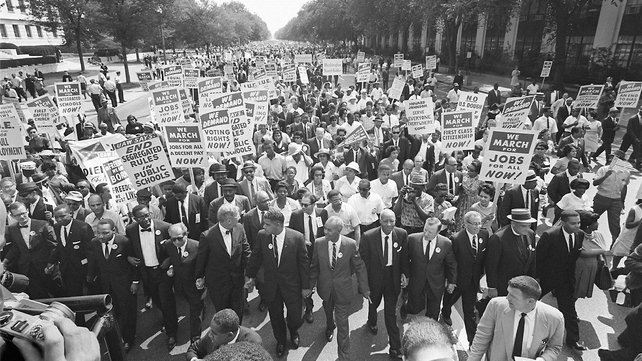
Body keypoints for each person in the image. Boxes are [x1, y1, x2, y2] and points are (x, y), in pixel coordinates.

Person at [246, 208, 310, 358]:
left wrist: (306, 286)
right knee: (276, 316)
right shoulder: (262, 236)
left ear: (278, 224)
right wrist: (249, 276)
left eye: (267, 224)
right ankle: (280, 341)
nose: (264, 227)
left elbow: (304, 264)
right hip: (272, 285)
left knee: (295, 316)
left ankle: (293, 330)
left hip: (292, 286)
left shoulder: (297, 238)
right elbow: (256, 257)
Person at [309, 216, 370, 361]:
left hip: (343, 291)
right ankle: (329, 326)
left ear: (339, 230)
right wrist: (309, 287)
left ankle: (344, 356)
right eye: (324, 228)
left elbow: (360, 267)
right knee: (328, 312)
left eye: (329, 230)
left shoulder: (350, 244)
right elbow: (314, 267)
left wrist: (365, 288)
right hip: (325, 290)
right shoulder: (318, 243)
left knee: (343, 325)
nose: (325, 232)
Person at [467, 276, 564, 361]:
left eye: (513, 296)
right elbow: (481, 338)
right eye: (508, 293)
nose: (507, 298)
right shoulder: (496, 305)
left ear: (530, 301)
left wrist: (542, 360)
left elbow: (554, 348)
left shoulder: (555, 318)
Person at [124, 205, 178, 351]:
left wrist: (169, 260)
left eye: (147, 215)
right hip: (146, 273)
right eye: (141, 217)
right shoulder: (131, 230)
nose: (146, 219)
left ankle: (172, 333)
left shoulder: (165, 227)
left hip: (163, 272)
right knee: (157, 300)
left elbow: (176, 246)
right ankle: (168, 318)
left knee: (167, 301)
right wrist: (129, 257)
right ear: (135, 219)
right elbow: (129, 249)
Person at [359, 209, 409, 359]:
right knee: (373, 304)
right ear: (380, 221)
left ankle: (395, 348)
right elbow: (363, 263)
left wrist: (404, 274)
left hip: (392, 278)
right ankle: (371, 321)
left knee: (390, 313)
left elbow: (404, 257)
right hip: (374, 279)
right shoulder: (368, 236)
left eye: (392, 221)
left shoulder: (401, 234)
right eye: (386, 221)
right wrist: (364, 285)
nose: (389, 224)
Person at [536, 210, 587, 350]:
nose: (577, 226)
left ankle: (573, 340)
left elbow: (573, 257)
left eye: (579, 223)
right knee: (531, 301)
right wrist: (537, 277)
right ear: (563, 223)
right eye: (573, 223)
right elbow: (538, 259)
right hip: (547, 277)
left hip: (566, 279)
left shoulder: (580, 235)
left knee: (569, 309)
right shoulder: (550, 235)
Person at [86, 218, 138, 351]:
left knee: (128, 312)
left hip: (125, 284)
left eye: (105, 233)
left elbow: (135, 264)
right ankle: (117, 336)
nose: (100, 236)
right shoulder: (94, 243)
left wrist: (135, 282)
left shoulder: (124, 242)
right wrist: (90, 276)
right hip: (107, 285)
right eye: (98, 233)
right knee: (114, 312)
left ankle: (128, 340)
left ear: (113, 231)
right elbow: (95, 262)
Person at [196, 203, 251, 324]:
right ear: (229, 220)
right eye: (238, 216)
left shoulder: (240, 228)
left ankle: (237, 337)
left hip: (237, 281)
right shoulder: (207, 236)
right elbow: (202, 259)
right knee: (223, 315)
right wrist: (200, 277)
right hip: (218, 284)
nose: (240, 218)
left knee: (238, 312)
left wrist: (250, 273)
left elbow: (246, 251)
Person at [441, 211, 489, 343]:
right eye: (474, 224)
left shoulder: (484, 235)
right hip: (458, 280)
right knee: (449, 300)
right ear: (465, 223)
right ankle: (445, 312)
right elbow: (451, 262)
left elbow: (483, 259)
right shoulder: (456, 239)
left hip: (473, 281)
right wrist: (451, 281)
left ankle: (471, 341)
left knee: (470, 312)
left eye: (479, 223)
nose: (477, 227)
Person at [401, 217, 457, 321]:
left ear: (438, 231)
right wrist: (405, 275)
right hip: (417, 279)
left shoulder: (446, 243)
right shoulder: (412, 239)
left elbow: (451, 264)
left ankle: (430, 330)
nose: (426, 234)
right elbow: (405, 259)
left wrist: (452, 282)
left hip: (436, 282)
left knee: (433, 311)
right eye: (425, 230)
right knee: (415, 307)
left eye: (430, 232)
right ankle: (406, 307)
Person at [3, 202, 61, 299]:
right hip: (27, 267)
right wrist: (4, 262)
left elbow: (54, 246)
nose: (22, 217)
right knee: (37, 295)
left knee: (55, 291)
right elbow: (16, 247)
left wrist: (51, 264)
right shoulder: (12, 229)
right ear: (12, 216)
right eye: (17, 215)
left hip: (45, 266)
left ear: (27, 211)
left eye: (23, 213)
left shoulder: (42, 224)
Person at [288, 191, 328, 323]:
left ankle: (327, 302)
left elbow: (326, 231)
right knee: (305, 279)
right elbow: (292, 234)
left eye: (306, 205)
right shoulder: (295, 215)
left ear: (313, 204)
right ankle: (309, 307)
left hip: (319, 250)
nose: (303, 207)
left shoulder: (322, 213)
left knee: (322, 276)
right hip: (304, 251)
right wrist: (302, 242)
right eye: (301, 204)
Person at [163, 223, 203, 344]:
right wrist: (171, 267)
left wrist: (203, 278)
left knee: (196, 312)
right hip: (180, 285)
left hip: (195, 285)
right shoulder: (168, 245)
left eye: (179, 238)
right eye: (173, 239)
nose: (176, 242)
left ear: (186, 234)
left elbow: (205, 264)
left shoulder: (197, 246)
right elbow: (174, 259)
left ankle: (195, 339)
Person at [486, 208, 537, 297]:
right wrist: (492, 286)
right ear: (513, 223)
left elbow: (532, 259)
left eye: (528, 226)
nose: (527, 229)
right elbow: (491, 265)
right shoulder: (498, 238)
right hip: (504, 286)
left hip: (523, 286)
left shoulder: (530, 234)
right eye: (523, 226)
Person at [46, 204, 94, 297]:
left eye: (62, 216)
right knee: (73, 295)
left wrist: (90, 273)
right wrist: (51, 262)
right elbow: (60, 247)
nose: (59, 219)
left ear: (70, 213)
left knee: (87, 295)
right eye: (56, 217)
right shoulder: (57, 227)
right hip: (66, 269)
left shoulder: (83, 227)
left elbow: (90, 252)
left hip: (82, 269)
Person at [186, 309, 262, 361]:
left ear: (230, 335)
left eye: (214, 333)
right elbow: (193, 349)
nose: (210, 335)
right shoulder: (214, 332)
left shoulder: (252, 344)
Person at [593, 149, 630, 244]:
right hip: (602, 197)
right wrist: (605, 176)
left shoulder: (626, 172)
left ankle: (614, 245)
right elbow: (595, 183)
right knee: (592, 219)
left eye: (616, 158)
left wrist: (622, 202)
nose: (612, 159)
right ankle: (584, 239)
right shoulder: (603, 169)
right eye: (612, 157)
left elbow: (624, 187)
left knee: (615, 224)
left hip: (616, 200)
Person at [575, 211, 609, 299]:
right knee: (574, 291)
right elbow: (583, 252)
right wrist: (600, 250)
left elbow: (602, 251)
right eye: (595, 222)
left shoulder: (598, 235)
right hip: (579, 268)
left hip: (592, 268)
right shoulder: (577, 236)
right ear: (588, 225)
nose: (598, 224)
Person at [611, 199, 642, 272]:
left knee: (633, 254)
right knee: (619, 253)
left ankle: (627, 270)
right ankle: (613, 268)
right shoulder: (634, 210)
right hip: (628, 235)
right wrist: (639, 222)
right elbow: (628, 224)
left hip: (638, 236)